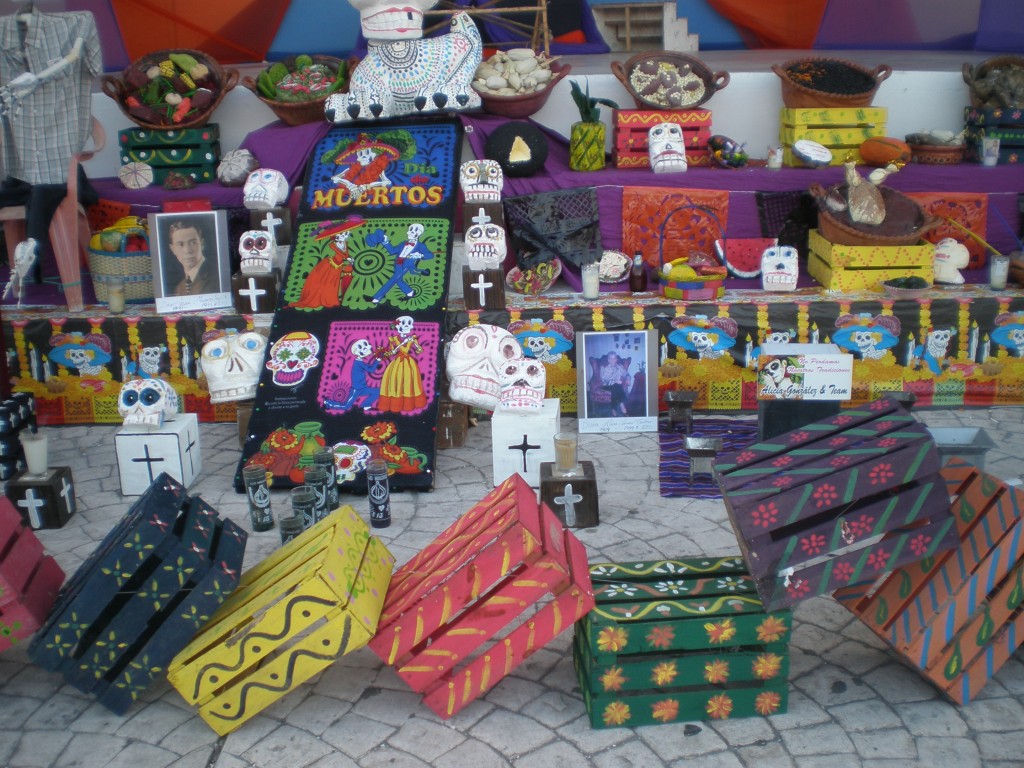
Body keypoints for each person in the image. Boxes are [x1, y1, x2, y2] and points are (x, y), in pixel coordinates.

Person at [291, 216, 363, 310]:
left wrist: (349, 258)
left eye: (345, 233)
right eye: (342, 234)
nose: (345, 235)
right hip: (331, 265)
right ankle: (323, 299)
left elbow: (345, 254)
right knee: (327, 283)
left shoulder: (345, 243)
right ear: (336, 236)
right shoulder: (333, 244)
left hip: (338, 265)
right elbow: (341, 254)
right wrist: (348, 259)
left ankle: (331, 300)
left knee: (334, 284)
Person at [166, 219, 218, 296]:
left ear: (202, 244)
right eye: (180, 244)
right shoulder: (179, 288)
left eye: (193, 242)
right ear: (173, 249)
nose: (187, 250)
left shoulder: (217, 277)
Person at [599, 352, 631, 416]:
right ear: (608, 360)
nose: (612, 360)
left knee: (616, 387)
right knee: (617, 385)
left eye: (614, 358)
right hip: (606, 385)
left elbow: (626, 373)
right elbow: (604, 380)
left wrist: (628, 378)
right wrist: (614, 380)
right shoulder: (604, 368)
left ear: (616, 359)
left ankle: (613, 409)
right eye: (610, 358)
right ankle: (621, 404)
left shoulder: (620, 367)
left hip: (615, 386)